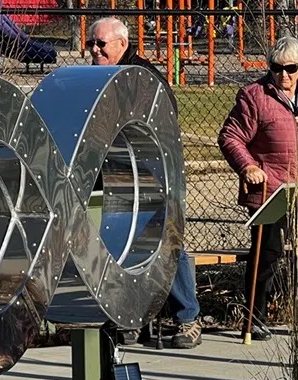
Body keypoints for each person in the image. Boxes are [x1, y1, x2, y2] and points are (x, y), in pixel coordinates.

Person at [87, 17, 201, 349]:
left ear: (122, 44)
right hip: (116, 173)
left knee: (167, 240)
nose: (94, 50)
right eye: (91, 43)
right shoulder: (95, 77)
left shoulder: (143, 77)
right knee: (119, 242)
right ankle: (129, 317)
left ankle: (188, 318)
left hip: (153, 172)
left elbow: (160, 120)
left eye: (101, 44)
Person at [218, 36, 298, 342]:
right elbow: (230, 137)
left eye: (291, 68)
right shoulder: (254, 95)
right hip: (271, 187)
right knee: (267, 253)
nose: (283, 74)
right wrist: (247, 166)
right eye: (276, 67)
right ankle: (255, 317)